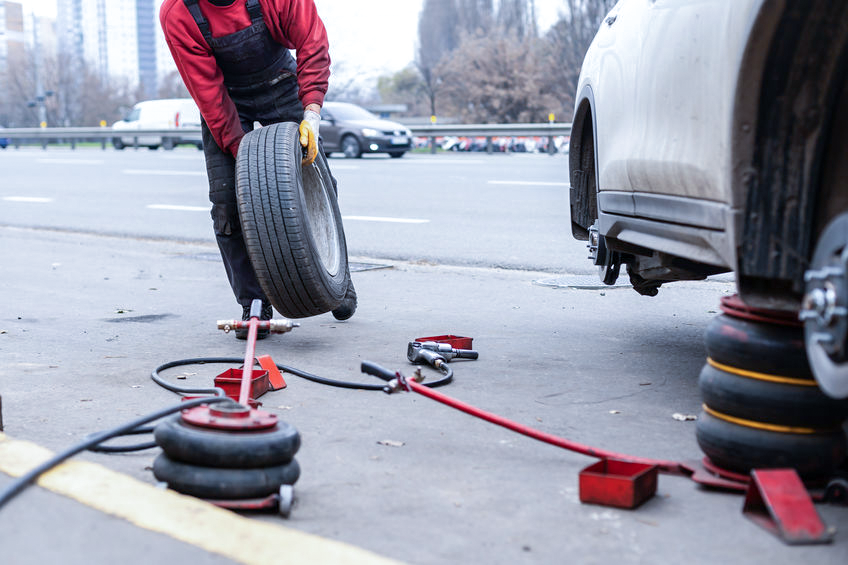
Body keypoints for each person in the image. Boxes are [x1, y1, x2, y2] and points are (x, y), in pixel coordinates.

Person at [159, 0, 356, 338]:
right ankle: (254, 302)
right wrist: (247, 157)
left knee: (317, 179)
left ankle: (336, 277)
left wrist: (311, 112)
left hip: (280, 81)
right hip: (226, 99)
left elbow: (311, 41)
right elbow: (207, 92)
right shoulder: (178, 12)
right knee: (227, 202)